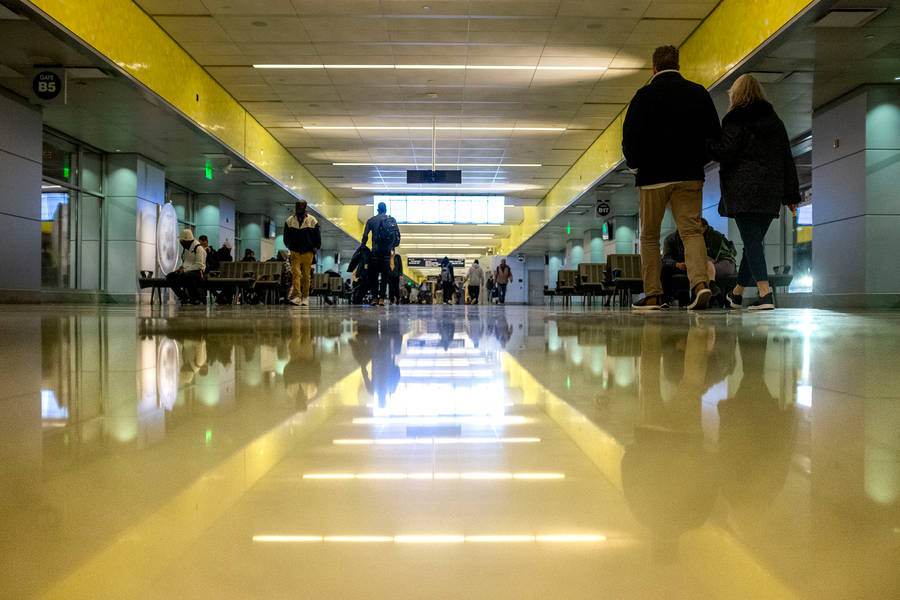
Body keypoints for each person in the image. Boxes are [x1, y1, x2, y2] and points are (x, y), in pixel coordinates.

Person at [622, 45, 722, 311]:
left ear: (653, 68)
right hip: (689, 175)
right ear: (678, 65)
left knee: (650, 237)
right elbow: (714, 134)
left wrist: (636, 167)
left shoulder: (642, 96)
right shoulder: (697, 93)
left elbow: (629, 138)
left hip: (652, 178)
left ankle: (653, 295)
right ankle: (700, 285)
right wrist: (698, 161)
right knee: (691, 232)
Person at [708, 74, 800, 311]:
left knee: (752, 242)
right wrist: (791, 195)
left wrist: (708, 143)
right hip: (770, 191)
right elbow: (786, 159)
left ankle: (764, 294)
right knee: (753, 243)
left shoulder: (735, 119)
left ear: (735, 95)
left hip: (743, 189)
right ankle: (737, 294)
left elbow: (725, 151)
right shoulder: (774, 121)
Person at [661, 219, 737, 305]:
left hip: (701, 264)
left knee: (704, 267)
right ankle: (665, 300)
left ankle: (703, 295)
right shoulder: (671, 239)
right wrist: (677, 264)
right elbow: (666, 258)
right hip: (682, 264)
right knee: (665, 268)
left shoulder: (709, 236)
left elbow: (711, 256)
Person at [361, 201, 401, 306]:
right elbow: (397, 236)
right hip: (387, 253)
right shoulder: (391, 220)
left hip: (375, 252)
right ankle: (382, 298)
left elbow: (365, 236)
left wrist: (363, 246)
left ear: (377, 210)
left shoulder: (371, 220)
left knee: (374, 276)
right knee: (384, 276)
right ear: (385, 210)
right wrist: (392, 246)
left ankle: (374, 298)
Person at [283, 199, 321, 306]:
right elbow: (286, 237)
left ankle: (305, 297)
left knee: (306, 276)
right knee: (296, 274)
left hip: (308, 252)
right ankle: (297, 296)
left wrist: (316, 247)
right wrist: (289, 246)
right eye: (297, 206)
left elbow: (317, 236)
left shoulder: (312, 220)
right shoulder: (290, 220)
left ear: (305, 207)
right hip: (295, 251)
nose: (298, 208)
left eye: (301, 206)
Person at [166, 228, 206, 305]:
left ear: (187, 240)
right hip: (187, 271)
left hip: (198, 272)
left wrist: (185, 270)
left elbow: (199, 265)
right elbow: (186, 262)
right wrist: (181, 268)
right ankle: (183, 296)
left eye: (182, 241)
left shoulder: (199, 249)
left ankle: (195, 298)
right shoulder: (186, 249)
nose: (181, 242)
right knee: (170, 276)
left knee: (186, 275)